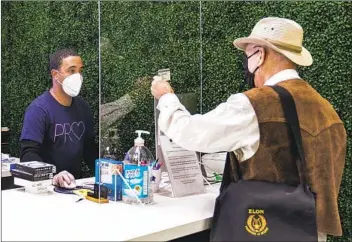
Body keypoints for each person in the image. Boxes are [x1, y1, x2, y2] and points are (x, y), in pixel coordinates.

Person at [151, 17, 346, 241]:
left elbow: (191, 132)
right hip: (307, 231)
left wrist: (166, 98)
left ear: (259, 54)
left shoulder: (257, 104)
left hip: (262, 228)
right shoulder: (325, 109)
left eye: (248, 56)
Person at [20, 48, 98, 188]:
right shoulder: (39, 109)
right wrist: (53, 175)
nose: (78, 76)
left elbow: (89, 148)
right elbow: (28, 153)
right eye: (72, 71)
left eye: (80, 71)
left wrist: (105, 171)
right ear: (55, 74)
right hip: (46, 187)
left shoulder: (82, 107)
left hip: (74, 186)